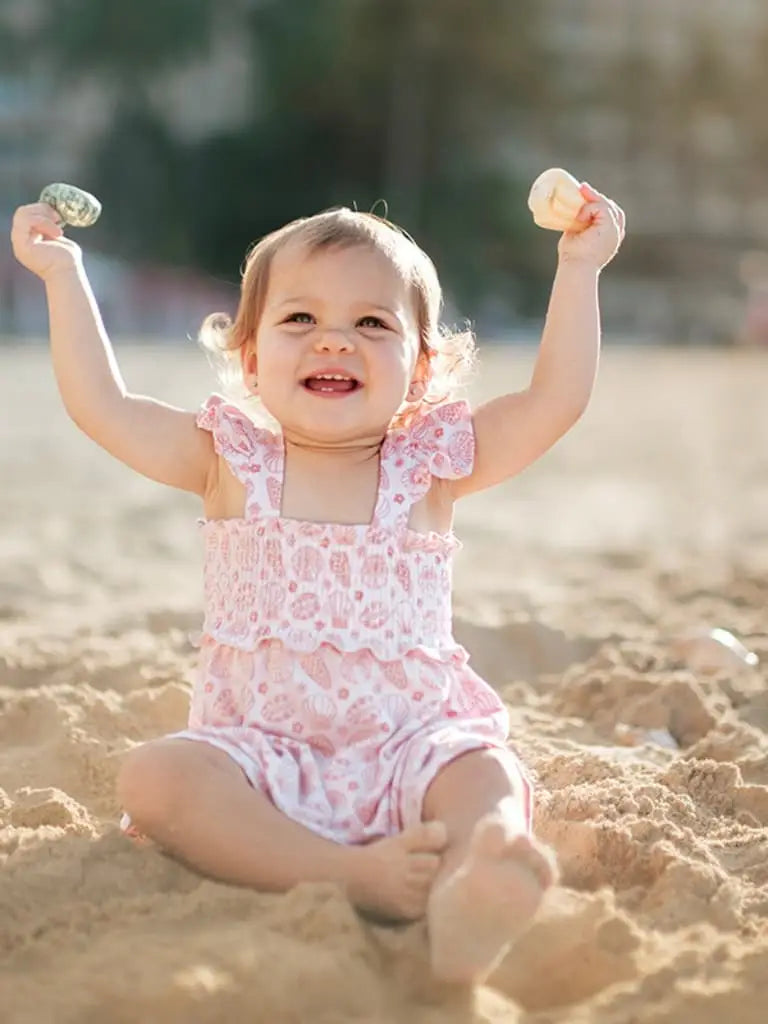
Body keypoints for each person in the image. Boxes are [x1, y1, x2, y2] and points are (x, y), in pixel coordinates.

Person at [10, 183, 624, 984]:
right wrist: (63, 275)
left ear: (423, 364)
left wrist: (578, 268)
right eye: (300, 319)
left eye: (372, 323)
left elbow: (555, 400)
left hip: (412, 746)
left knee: (486, 771)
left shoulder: (430, 467)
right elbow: (101, 403)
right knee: (156, 778)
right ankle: (345, 872)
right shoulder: (228, 461)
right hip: (260, 758)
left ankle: (481, 876)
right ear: (253, 356)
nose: (335, 342)